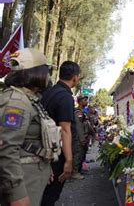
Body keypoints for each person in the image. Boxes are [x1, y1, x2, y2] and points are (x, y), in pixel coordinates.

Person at [0, 48, 56, 206]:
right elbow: (6, 149)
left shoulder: (29, 99)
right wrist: (16, 194)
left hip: (31, 176)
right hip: (22, 182)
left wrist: (45, 165)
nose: (48, 76)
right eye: (47, 71)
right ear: (36, 73)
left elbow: (32, 140)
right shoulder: (17, 102)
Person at [41, 61, 81, 205]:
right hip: (56, 154)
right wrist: (69, 161)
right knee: (50, 195)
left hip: (45, 151)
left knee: (44, 193)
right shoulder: (65, 96)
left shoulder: (49, 91)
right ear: (75, 78)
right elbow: (65, 130)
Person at [72, 95, 88, 180]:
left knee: (82, 154)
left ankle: (79, 170)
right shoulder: (78, 112)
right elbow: (78, 127)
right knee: (78, 154)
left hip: (84, 137)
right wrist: (82, 139)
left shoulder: (83, 112)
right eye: (85, 100)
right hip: (78, 138)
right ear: (80, 101)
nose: (86, 102)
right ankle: (75, 172)